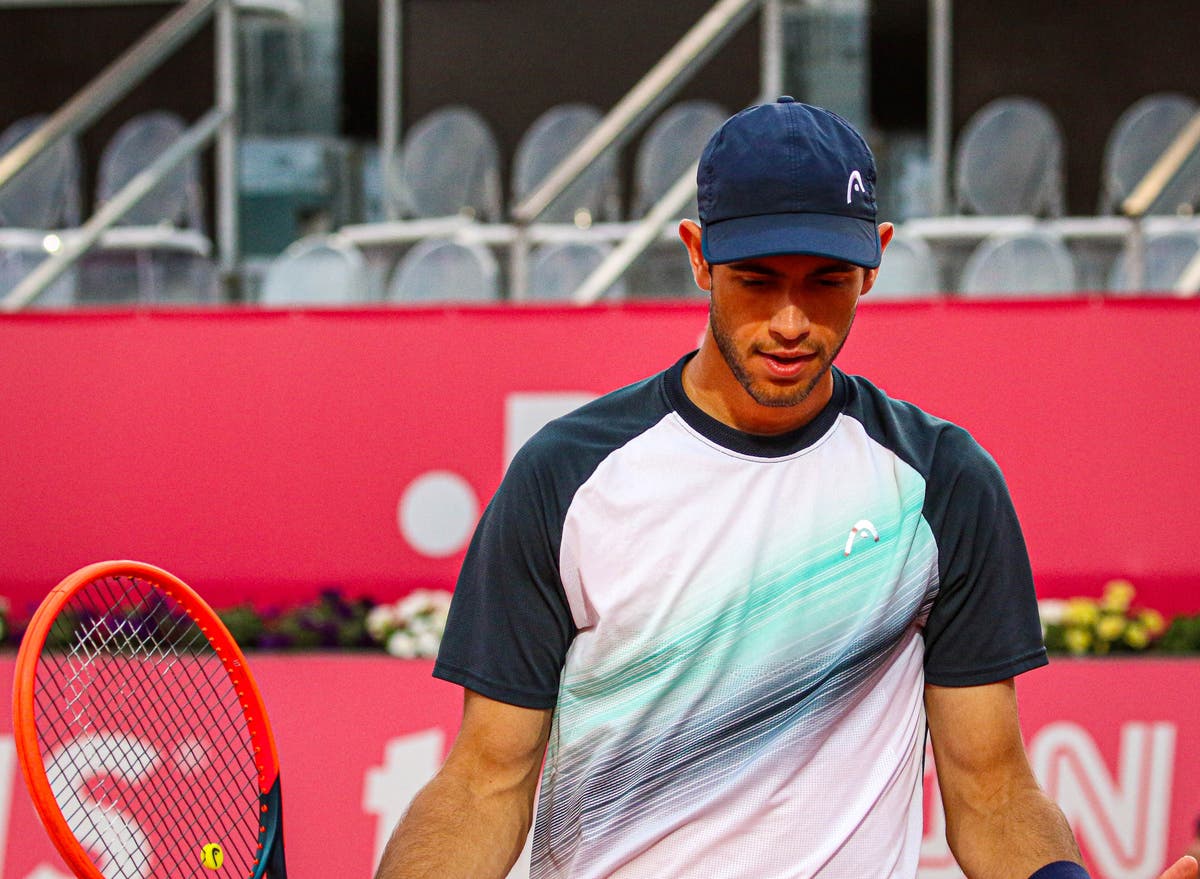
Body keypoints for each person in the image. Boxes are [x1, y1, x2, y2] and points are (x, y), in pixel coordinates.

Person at [372, 98, 1199, 879]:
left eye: (827, 280)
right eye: (758, 281)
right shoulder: (566, 473)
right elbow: (484, 780)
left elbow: (990, 789)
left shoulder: (944, 483)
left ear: (874, 261)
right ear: (698, 254)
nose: (793, 322)